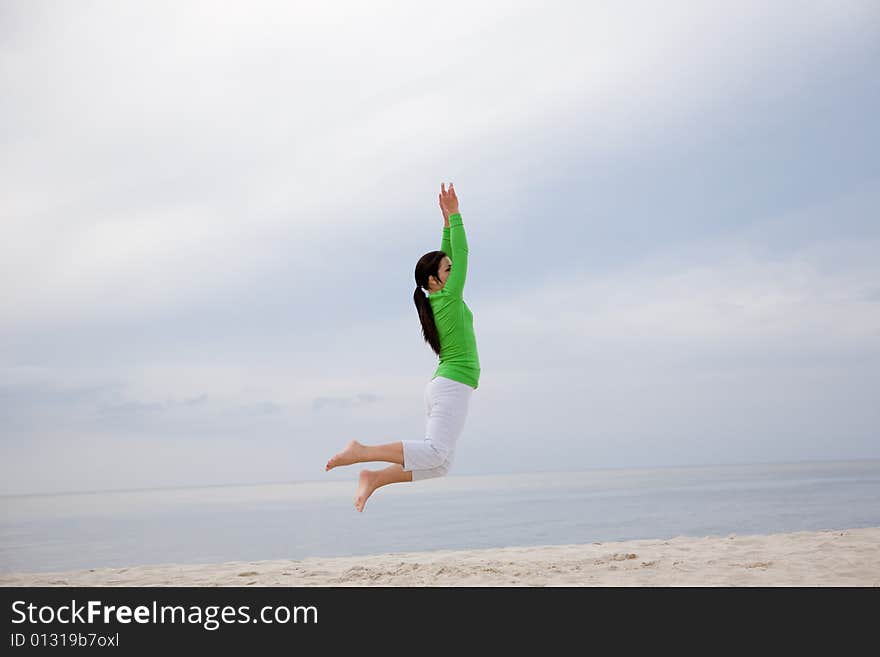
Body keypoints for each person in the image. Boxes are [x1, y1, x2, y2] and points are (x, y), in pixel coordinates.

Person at [325, 181, 481, 512]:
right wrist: (456, 216)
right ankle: (361, 451)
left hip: (447, 386)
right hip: (451, 385)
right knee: (435, 453)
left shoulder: (439, 296)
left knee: (439, 463)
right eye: (448, 270)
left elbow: (448, 257)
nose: (454, 270)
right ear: (436, 282)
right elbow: (462, 254)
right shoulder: (448, 299)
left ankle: (374, 478)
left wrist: (445, 225)